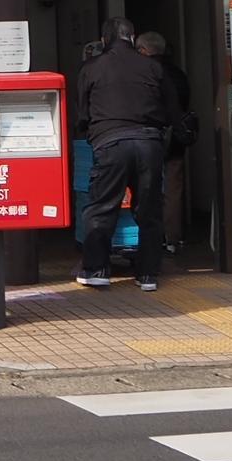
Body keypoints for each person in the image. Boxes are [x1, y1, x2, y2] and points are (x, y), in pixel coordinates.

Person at [73, 16, 182, 292]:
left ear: (103, 41)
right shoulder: (153, 67)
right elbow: (172, 109)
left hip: (110, 145)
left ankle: (97, 269)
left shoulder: (92, 68)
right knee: (149, 210)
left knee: (101, 206)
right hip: (149, 143)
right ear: (132, 38)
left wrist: (90, 129)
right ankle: (148, 275)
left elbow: (83, 115)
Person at [136, 30, 196, 255]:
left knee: (146, 186)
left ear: (142, 50)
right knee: (173, 187)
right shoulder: (178, 74)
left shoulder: (144, 73)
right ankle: (173, 237)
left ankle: (149, 237)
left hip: (149, 136)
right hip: (176, 137)